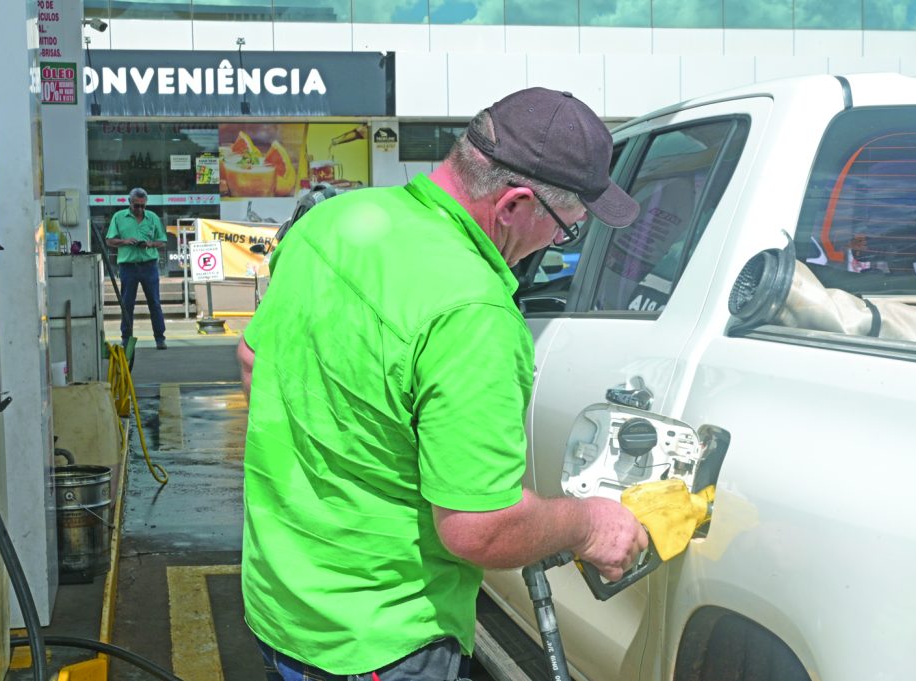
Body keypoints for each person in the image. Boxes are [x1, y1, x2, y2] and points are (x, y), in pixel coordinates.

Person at [237, 87, 645, 681]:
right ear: (513, 206)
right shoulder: (473, 313)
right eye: (565, 229)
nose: (556, 244)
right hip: (378, 641)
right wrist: (590, 524)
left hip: (278, 603)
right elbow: (478, 528)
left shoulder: (334, 221)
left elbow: (254, 357)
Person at [105, 188, 168, 349]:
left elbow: (162, 241)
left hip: (149, 266)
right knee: (127, 304)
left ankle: (160, 338)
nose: (139, 209)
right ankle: (126, 337)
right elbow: (109, 240)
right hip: (128, 266)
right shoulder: (119, 217)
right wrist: (125, 241)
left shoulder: (152, 218)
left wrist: (150, 244)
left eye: (142, 206)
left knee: (154, 302)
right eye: (136, 206)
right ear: (129, 203)